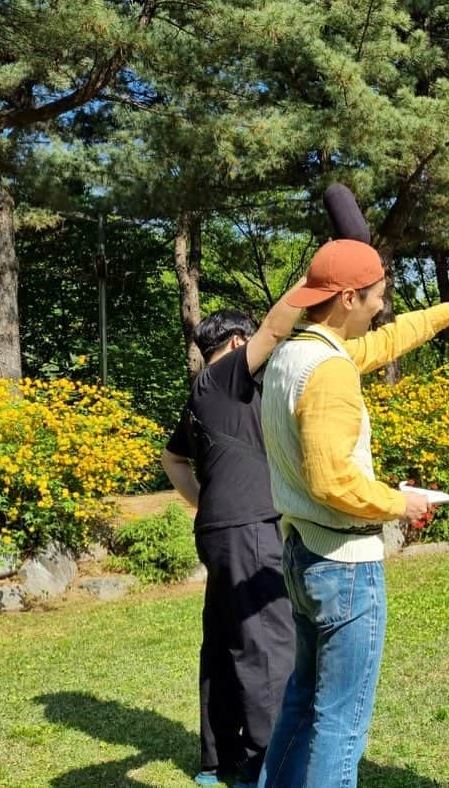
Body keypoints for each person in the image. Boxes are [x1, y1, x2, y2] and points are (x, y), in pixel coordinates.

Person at [257, 238, 449, 788]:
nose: (382, 306)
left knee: (303, 702)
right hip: (343, 564)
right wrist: (403, 502)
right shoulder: (328, 371)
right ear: (349, 297)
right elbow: (333, 481)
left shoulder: (294, 352)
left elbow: (387, 342)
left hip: (304, 552)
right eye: (377, 296)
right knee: (340, 723)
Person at [161, 278, 310, 788]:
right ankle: (270, 763)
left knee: (226, 636)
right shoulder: (225, 377)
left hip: (225, 527)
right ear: (234, 344)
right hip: (248, 528)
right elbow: (275, 326)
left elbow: (172, 458)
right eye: (250, 343)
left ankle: (218, 760)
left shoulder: (204, 394)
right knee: (267, 641)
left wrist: (207, 501)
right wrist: (316, 279)